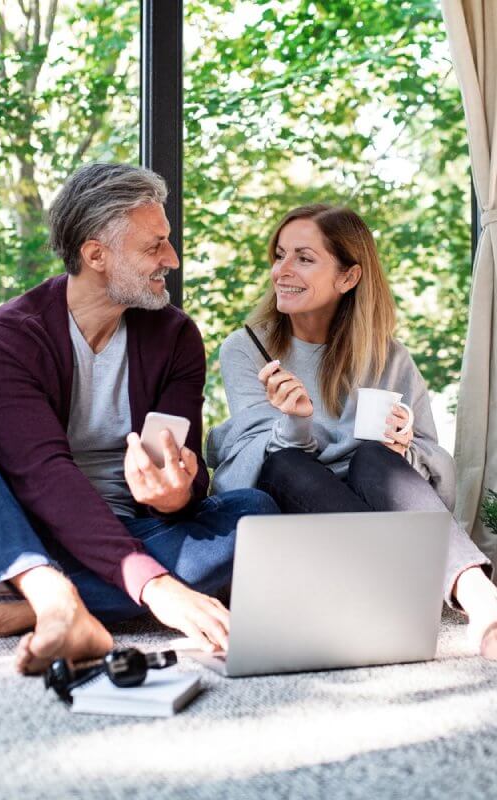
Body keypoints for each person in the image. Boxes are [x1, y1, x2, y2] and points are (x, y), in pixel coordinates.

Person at [0, 162, 277, 673]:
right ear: (96, 254)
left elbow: (184, 469)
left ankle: (11, 617)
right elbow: (44, 478)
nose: (172, 258)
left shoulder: (175, 337)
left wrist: (175, 494)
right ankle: (45, 592)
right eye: (154, 246)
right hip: (13, 540)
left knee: (254, 513)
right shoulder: (8, 337)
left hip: (133, 532)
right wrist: (155, 584)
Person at [207, 203, 497, 657]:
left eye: (303, 258)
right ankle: (391, 588)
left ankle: (480, 597)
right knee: (287, 461)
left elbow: (432, 459)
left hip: (374, 498)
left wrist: (405, 450)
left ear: (348, 277)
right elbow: (252, 457)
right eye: (279, 255)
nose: (281, 270)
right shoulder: (247, 348)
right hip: (292, 505)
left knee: (375, 457)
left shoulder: (388, 356)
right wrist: (297, 420)